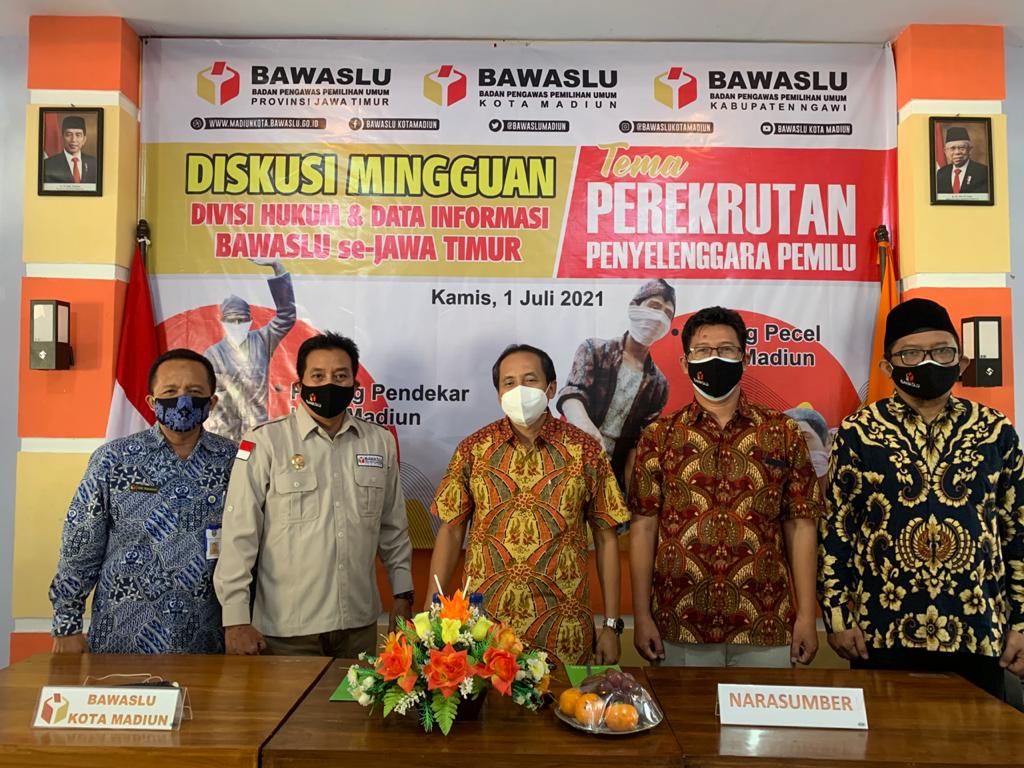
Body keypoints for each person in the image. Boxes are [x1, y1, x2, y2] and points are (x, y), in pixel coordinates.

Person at [819, 298, 1024, 699]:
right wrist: (838, 617)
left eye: (942, 351)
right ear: (887, 367)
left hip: (978, 629)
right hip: (881, 629)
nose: (928, 362)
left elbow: (1017, 530)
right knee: (886, 737)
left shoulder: (995, 431)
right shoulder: (859, 432)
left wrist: (1020, 623)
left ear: (961, 361)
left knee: (980, 738)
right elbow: (837, 529)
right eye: (911, 353)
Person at [630, 306, 822, 668]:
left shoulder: (782, 431)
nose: (714, 358)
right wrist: (641, 616)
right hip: (678, 623)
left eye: (726, 349)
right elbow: (643, 527)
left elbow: (801, 525)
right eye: (703, 350)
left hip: (766, 624)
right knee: (682, 709)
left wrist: (807, 617)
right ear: (685, 363)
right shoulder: (660, 435)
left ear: (744, 359)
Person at [427, 343, 630, 667]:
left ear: (551, 388)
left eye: (530, 380)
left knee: (565, 701)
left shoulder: (585, 451)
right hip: (483, 633)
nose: (519, 390)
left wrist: (611, 625)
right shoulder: (473, 450)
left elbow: (606, 537)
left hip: (563, 633)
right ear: (498, 394)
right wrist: (430, 615)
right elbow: (450, 531)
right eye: (508, 382)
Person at [215, 332, 413, 657]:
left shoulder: (379, 442)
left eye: (340, 376)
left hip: (359, 627)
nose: (329, 384)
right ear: (300, 384)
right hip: (286, 632)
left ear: (355, 385)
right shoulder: (265, 441)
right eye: (318, 376)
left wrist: (403, 595)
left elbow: (393, 529)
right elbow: (239, 534)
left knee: (359, 694)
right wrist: (235, 619)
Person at [49, 349, 235, 654]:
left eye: (194, 392)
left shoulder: (235, 461)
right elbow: (80, 545)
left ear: (212, 402)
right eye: (170, 392)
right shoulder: (113, 460)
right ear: (151, 401)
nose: (183, 401)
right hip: (122, 637)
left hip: (210, 638)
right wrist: (66, 625)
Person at [557, 279, 675, 489]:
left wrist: (631, 494)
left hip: (613, 476)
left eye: (667, 313)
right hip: (570, 460)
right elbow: (572, 394)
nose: (659, 317)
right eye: (654, 306)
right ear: (634, 306)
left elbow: (638, 444)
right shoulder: (594, 350)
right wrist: (584, 425)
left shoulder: (659, 385)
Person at [204, 258, 296, 442]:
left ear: (250, 321)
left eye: (242, 320)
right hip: (222, 435)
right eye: (232, 320)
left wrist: (277, 267)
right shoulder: (212, 354)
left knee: (253, 460)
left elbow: (287, 316)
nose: (237, 324)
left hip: (255, 434)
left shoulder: (262, 340)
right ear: (223, 322)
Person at [43, 115, 98, 184]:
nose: (73, 140)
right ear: (62, 138)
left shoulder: (95, 163)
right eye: (69, 135)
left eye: (78, 135)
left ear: (84, 139)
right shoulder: (48, 164)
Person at [935, 126, 989, 195]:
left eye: (962, 148)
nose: (957, 152)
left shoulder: (983, 172)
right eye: (952, 148)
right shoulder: (941, 173)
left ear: (969, 150)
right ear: (945, 151)